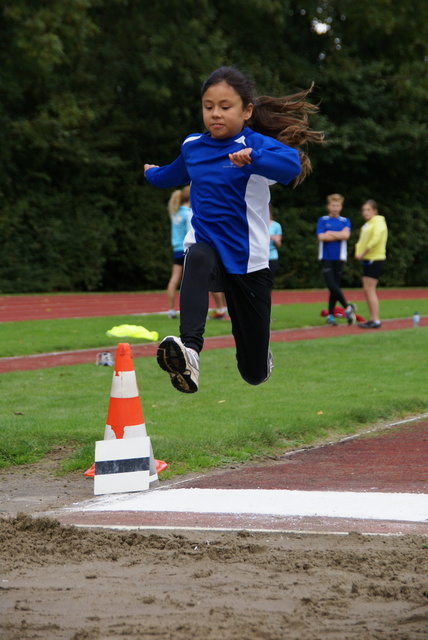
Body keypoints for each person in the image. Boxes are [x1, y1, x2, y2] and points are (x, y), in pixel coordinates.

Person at [144, 66, 323, 393]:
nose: (215, 114)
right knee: (195, 255)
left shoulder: (256, 144)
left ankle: (259, 359)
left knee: (252, 372)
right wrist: (151, 174)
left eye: (225, 107)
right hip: (208, 249)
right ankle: (190, 351)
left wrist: (254, 159)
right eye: (208, 106)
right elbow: (173, 174)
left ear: (247, 110)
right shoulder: (193, 147)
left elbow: (290, 165)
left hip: (249, 262)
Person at [316, 193, 356, 326]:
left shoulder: (345, 221)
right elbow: (321, 237)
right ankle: (347, 307)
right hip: (326, 257)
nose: (335, 208)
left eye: (337, 205)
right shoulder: (323, 220)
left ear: (341, 207)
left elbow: (346, 235)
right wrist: (338, 235)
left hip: (339, 257)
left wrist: (330, 234)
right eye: (333, 205)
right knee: (331, 285)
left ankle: (331, 316)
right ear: (328, 206)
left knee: (335, 287)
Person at [355, 199, 388, 329]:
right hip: (367, 258)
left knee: (370, 289)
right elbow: (361, 240)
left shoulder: (379, 222)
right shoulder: (368, 224)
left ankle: (376, 319)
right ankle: (372, 318)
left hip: (376, 258)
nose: (365, 212)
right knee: (366, 289)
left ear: (375, 211)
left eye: (368, 210)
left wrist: (363, 252)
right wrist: (359, 252)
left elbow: (376, 238)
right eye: (364, 210)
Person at [166, 186, 191, 319]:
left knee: (174, 279)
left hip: (176, 248)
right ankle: (190, 310)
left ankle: (170, 310)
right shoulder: (188, 213)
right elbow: (190, 232)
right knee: (190, 281)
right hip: (187, 248)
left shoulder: (175, 212)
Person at [268, 205, 282, 281]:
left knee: (270, 281)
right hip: (259, 256)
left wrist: (276, 241)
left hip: (272, 256)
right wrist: (270, 237)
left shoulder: (276, 225)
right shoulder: (257, 225)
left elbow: (279, 244)